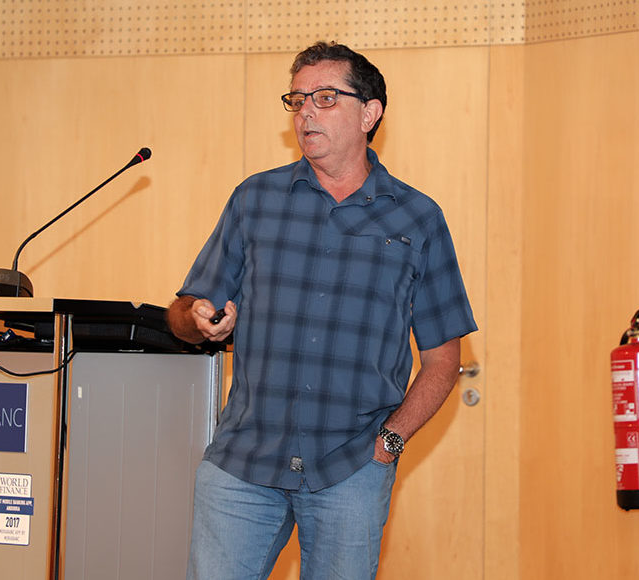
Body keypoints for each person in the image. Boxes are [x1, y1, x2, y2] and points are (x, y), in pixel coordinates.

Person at [167, 41, 477, 579]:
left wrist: (390, 443)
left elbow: (443, 360)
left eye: (326, 98)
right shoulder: (255, 200)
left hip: (351, 468)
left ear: (369, 113)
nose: (306, 112)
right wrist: (197, 319)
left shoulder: (417, 218)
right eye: (297, 99)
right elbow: (183, 311)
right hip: (244, 463)